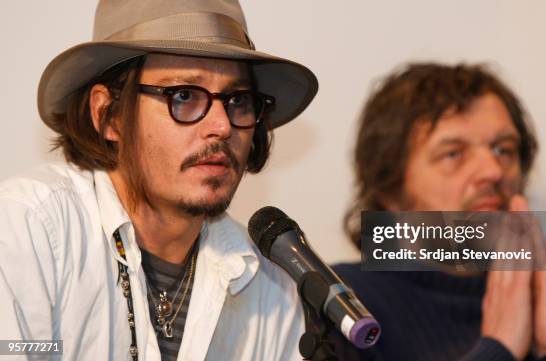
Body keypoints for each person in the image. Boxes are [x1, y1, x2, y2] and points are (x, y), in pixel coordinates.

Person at [0, 1, 318, 360]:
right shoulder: (30, 228)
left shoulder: (271, 285)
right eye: (183, 95)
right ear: (108, 115)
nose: (222, 126)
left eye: (238, 100)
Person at [334, 63, 546, 360]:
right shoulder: (342, 309)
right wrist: (499, 348)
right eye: (453, 153)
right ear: (389, 190)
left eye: (503, 150)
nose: (494, 171)